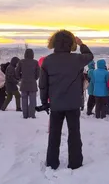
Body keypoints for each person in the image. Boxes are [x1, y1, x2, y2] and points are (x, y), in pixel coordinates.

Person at [39, 30, 93, 170]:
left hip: (56, 103)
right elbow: (89, 56)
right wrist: (82, 44)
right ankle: (75, 162)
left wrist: (45, 102)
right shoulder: (76, 59)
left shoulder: (47, 61)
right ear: (71, 43)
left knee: (54, 134)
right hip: (73, 103)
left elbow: (43, 85)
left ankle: (52, 162)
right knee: (74, 133)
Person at [16, 49, 40, 119]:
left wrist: (21, 78)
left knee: (24, 100)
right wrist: (34, 78)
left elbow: (17, 72)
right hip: (32, 83)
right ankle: (32, 114)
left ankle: (25, 115)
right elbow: (38, 73)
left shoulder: (21, 62)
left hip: (24, 83)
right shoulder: (35, 62)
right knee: (33, 101)